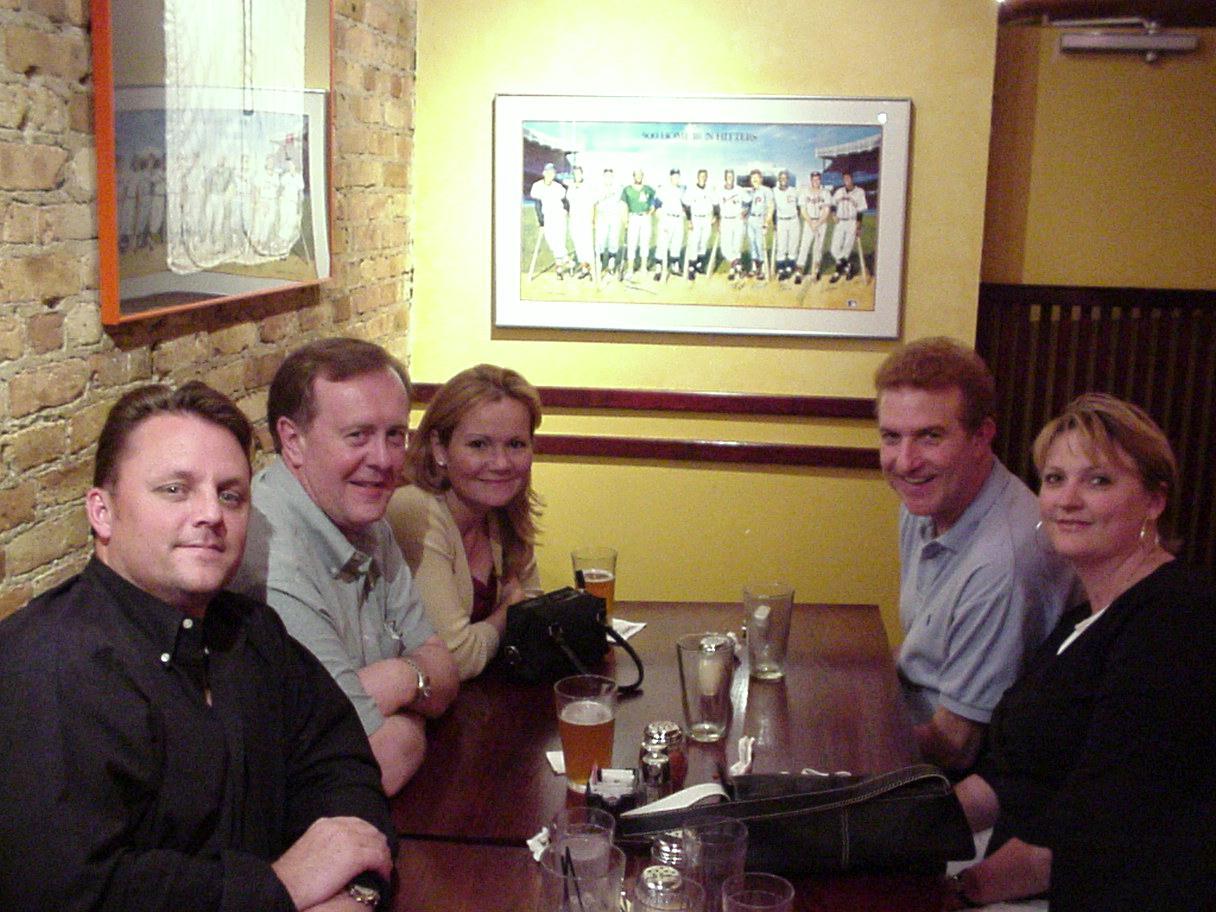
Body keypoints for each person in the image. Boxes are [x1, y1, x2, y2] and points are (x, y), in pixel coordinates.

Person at [0, 382, 396, 911]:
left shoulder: (253, 632)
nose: (211, 513)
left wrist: (355, 891)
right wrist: (276, 888)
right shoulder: (45, 666)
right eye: (175, 489)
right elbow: (64, 890)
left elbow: (340, 769)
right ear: (102, 512)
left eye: (231, 495)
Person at [949, 394, 1216, 910]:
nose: (1066, 500)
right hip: (1013, 868)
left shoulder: (1178, 615)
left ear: (1154, 501)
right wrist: (901, 822)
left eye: (1098, 481)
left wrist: (961, 890)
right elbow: (1012, 777)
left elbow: (1109, 816)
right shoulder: (1083, 616)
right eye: (1054, 479)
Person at [233, 338, 458, 796]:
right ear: (293, 441)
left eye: (395, 435)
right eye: (358, 435)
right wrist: (415, 698)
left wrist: (399, 679)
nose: (383, 460)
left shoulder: (365, 517)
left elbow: (446, 669)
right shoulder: (269, 556)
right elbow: (379, 763)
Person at [875, 337, 1075, 773]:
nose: (905, 462)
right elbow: (926, 655)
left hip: (953, 779)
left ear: (982, 436)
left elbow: (956, 747)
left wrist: (851, 729)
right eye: (891, 437)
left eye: (930, 436)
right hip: (910, 731)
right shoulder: (926, 501)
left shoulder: (1003, 563)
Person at [387, 364, 543, 680]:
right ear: (440, 448)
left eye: (515, 444)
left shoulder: (501, 507)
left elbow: (536, 618)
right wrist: (508, 610)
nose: (501, 463)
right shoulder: (415, 509)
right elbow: (455, 659)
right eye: (478, 445)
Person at [530, 162, 570, 279]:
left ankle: (559, 270)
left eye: (552, 173)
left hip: (559, 215)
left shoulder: (558, 187)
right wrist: (541, 221)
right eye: (548, 172)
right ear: (544, 173)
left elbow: (565, 201)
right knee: (551, 240)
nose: (550, 175)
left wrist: (566, 210)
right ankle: (566, 257)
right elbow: (537, 205)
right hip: (548, 216)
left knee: (560, 240)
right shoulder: (537, 186)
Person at [794, 170, 833, 283]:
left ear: (820, 180)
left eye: (818, 179)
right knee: (804, 246)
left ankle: (816, 270)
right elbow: (803, 210)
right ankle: (799, 271)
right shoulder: (805, 192)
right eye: (814, 179)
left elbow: (826, 210)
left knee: (818, 247)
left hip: (822, 222)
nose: (816, 181)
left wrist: (818, 222)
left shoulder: (825, 193)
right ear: (811, 180)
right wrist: (811, 222)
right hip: (809, 221)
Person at [828, 171, 867, 283]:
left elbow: (860, 210)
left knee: (846, 248)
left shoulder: (859, 192)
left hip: (852, 222)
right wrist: (834, 215)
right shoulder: (839, 191)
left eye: (848, 178)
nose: (846, 180)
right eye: (844, 178)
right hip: (840, 222)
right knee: (834, 249)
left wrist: (858, 225)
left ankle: (838, 272)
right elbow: (832, 204)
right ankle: (848, 266)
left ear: (852, 178)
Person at [652, 168, 687, 281]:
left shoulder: (682, 190)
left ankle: (674, 266)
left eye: (678, 177)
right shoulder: (663, 189)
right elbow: (657, 203)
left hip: (678, 219)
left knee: (677, 243)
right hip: (667, 218)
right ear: (670, 177)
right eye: (674, 176)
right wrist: (660, 216)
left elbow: (686, 204)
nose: (676, 179)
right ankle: (658, 269)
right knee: (662, 243)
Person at [621, 168, 656, 279]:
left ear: (642, 176)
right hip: (633, 217)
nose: (638, 177)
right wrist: (625, 220)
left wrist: (652, 208)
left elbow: (654, 199)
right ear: (633, 176)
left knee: (645, 243)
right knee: (632, 244)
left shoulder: (648, 189)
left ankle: (643, 268)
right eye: (636, 175)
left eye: (640, 175)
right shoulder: (627, 189)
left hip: (645, 217)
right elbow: (624, 205)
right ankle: (630, 269)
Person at [564, 165, 596, 280]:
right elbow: (568, 203)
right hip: (574, 220)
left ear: (582, 174)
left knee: (588, 245)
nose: (577, 175)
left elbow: (593, 204)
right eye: (575, 173)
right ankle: (584, 269)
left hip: (585, 219)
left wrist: (592, 219)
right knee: (578, 245)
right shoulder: (571, 187)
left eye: (579, 173)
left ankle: (593, 272)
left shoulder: (588, 187)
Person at [683, 168, 715, 280]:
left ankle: (699, 265)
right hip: (695, 218)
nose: (703, 178)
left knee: (704, 242)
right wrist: (689, 220)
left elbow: (716, 203)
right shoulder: (691, 189)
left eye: (704, 176)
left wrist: (715, 216)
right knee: (694, 243)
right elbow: (686, 205)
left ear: (707, 177)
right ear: (697, 177)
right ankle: (691, 268)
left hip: (707, 218)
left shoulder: (710, 189)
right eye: (701, 176)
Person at [716, 168, 746, 281]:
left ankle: (733, 270)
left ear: (733, 178)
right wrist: (718, 221)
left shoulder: (740, 190)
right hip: (725, 220)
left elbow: (748, 201)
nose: (730, 178)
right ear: (725, 178)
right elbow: (716, 207)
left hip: (737, 220)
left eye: (731, 176)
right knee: (725, 248)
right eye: (728, 176)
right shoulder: (720, 191)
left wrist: (745, 211)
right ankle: (738, 266)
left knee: (736, 246)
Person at [743, 168, 773, 280]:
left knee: (760, 244)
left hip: (760, 219)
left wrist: (766, 223)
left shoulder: (766, 190)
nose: (754, 180)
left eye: (756, 177)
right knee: (752, 243)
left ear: (761, 179)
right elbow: (746, 207)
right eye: (752, 178)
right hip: (751, 219)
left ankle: (763, 269)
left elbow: (770, 207)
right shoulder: (750, 191)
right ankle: (754, 267)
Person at [594, 167, 623, 278]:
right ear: (603, 177)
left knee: (613, 241)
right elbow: (596, 200)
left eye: (610, 176)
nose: (608, 178)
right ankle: (600, 265)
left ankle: (611, 266)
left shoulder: (618, 187)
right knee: (600, 242)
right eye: (606, 176)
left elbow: (619, 198)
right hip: (602, 217)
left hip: (614, 216)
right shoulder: (598, 188)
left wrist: (608, 192)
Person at [771, 169, 801, 280]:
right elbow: (773, 209)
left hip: (793, 220)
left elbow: (799, 207)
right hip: (781, 221)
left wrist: (795, 216)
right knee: (781, 246)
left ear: (788, 179)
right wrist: (774, 223)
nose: (783, 180)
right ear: (778, 179)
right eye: (781, 178)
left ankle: (789, 268)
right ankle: (780, 268)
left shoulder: (794, 191)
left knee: (793, 245)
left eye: (785, 178)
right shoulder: (774, 191)